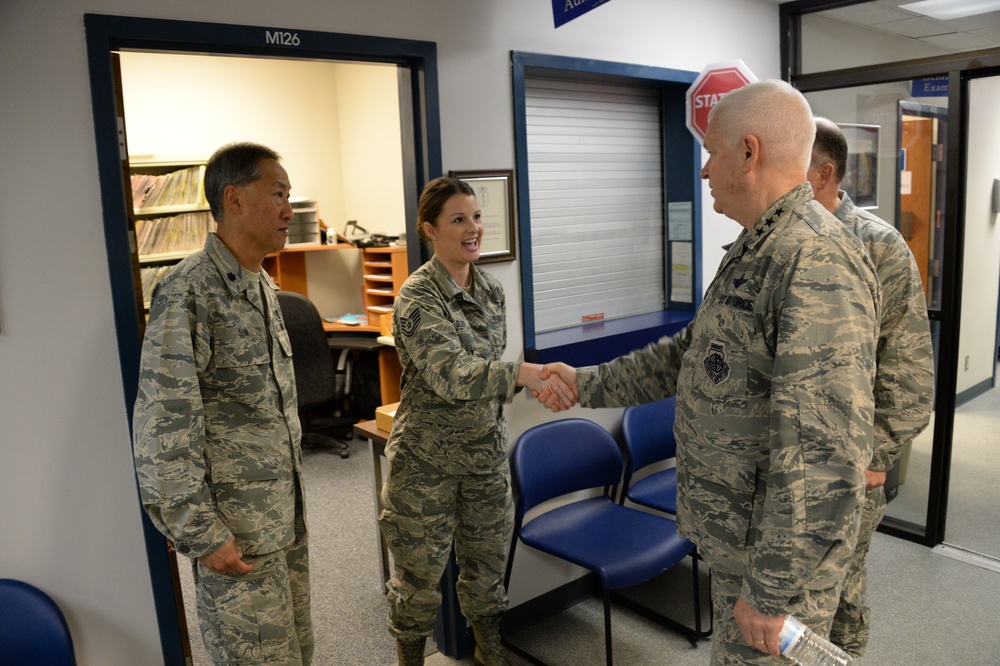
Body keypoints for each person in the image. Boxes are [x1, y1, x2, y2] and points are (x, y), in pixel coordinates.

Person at [538, 80, 881, 664]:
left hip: (776, 568)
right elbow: (690, 355)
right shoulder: (758, 250)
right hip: (740, 544)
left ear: (749, 153)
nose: (702, 171)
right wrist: (585, 382)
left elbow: (823, 455)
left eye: (711, 152)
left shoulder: (813, 263)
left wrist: (772, 592)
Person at [379, 176, 577, 666]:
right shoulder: (418, 297)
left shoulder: (489, 290)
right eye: (458, 220)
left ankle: (489, 651)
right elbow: (452, 375)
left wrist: (532, 382)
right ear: (430, 228)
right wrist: (526, 373)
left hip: (483, 456)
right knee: (418, 580)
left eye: (477, 217)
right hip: (426, 463)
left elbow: (490, 375)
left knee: (486, 568)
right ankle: (410, 657)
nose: (473, 229)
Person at [133, 142, 313, 665]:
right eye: (278, 194)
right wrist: (200, 533)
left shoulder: (260, 283)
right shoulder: (190, 291)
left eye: (290, 195)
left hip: (283, 522)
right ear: (234, 199)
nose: (289, 210)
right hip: (234, 539)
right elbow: (163, 426)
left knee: (297, 653)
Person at [807, 117, 934, 657]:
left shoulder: (878, 247)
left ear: (823, 174)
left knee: (840, 586)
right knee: (796, 595)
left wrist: (878, 458)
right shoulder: (787, 239)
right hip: (796, 458)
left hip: (853, 462)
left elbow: (909, 372)